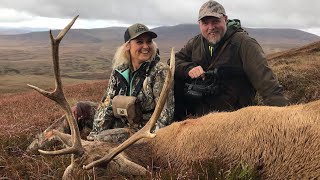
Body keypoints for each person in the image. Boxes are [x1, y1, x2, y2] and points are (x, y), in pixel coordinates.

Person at [27, 23, 174, 152]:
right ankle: (36, 148)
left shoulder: (159, 72)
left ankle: (84, 150)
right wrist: (96, 132)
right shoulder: (120, 71)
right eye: (139, 42)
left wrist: (149, 140)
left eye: (149, 41)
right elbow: (106, 105)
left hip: (140, 131)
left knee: (101, 139)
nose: (146, 46)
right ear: (128, 45)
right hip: (119, 121)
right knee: (79, 109)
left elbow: (165, 116)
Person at [173, 0, 289, 120]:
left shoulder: (244, 44)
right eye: (205, 23)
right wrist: (189, 68)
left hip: (235, 120)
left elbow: (268, 85)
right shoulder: (196, 43)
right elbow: (174, 61)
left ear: (225, 19)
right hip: (200, 119)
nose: (211, 28)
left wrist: (284, 118)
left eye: (215, 21)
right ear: (199, 24)